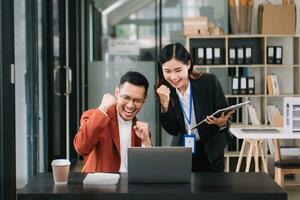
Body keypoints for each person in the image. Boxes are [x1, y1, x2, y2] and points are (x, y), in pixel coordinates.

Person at [156, 43, 234, 172]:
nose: (173, 77)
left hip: (210, 150)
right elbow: (173, 130)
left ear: (188, 64)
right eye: (167, 71)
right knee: (184, 191)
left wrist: (222, 124)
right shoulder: (163, 90)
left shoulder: (208, 82)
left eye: (178, 70)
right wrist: (164, 105)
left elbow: (226, 114)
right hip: (182, 150)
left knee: (213, 189)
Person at [74, 71, 151, 173]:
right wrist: (102, 109)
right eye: (126, 98)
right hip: (99, 186)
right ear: (117, 92)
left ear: (145, 99)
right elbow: (81, 148)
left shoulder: (141, 131)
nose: (130, 105)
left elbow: (147, 170)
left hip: (130, 186)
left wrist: (146, 142)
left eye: (137, 100)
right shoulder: (94, 117)